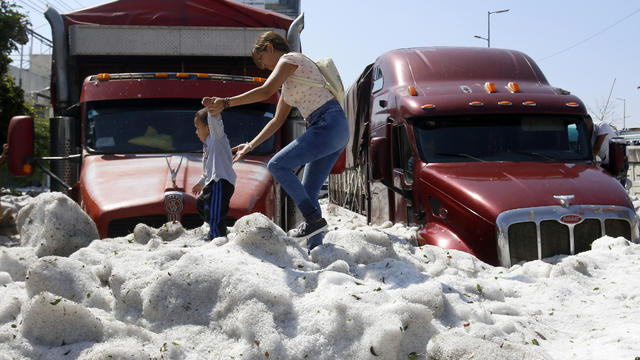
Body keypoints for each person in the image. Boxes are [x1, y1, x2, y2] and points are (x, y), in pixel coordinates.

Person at [202, 31, 349, 250]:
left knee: (277, 165)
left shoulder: (290, 59)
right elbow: (277, 121)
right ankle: (316, 250)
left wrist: (226, 102)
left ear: (270, 47)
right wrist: (251, 144)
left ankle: (314, 220)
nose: (264, 68)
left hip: (328, 123)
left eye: (262, 60)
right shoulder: (289, 86)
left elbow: (265, 91)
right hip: (334, 128)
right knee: (308, 192)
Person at [192, 108, 236, 240]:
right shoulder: (207, 145)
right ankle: (218, 228)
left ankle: (217, 236)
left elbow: (216, 122)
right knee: (201, 204)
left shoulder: (216, 139)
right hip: (212, 182)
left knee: (214, 211)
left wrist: (212, 110)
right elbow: (207, 170)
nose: (196, 132)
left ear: (209, 128)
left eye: (197, 127)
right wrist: (200, 183)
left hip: (220, 182)